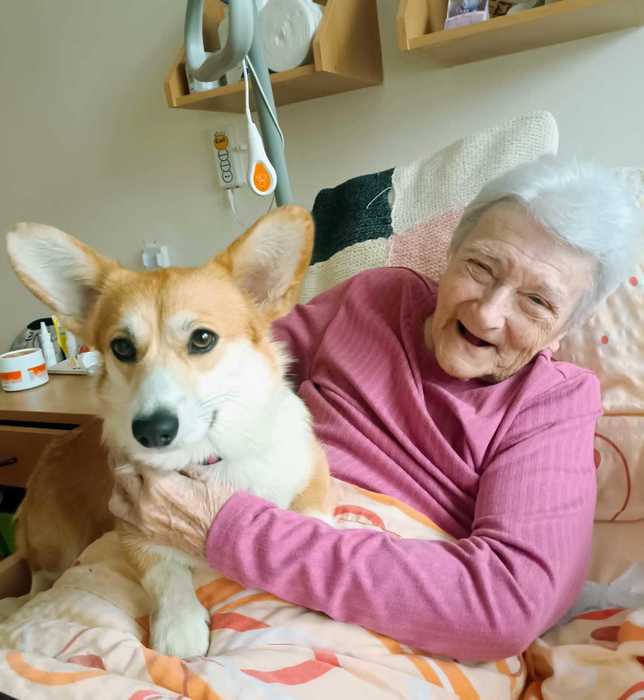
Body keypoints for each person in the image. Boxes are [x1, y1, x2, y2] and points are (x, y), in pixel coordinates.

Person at [109, 157, 643, 662]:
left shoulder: (553, 402)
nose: (488, 313)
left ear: (566, 328)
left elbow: (504, 605)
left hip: (368, 611)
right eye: (481, 267)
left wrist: (226, 528)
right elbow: (233, 361)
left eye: (537, 301)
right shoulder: (376, 296)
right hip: (187, 549)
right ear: (451, 254)